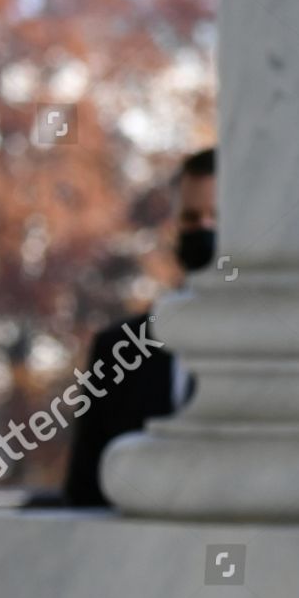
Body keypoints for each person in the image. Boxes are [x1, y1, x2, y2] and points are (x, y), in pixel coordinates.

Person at [62, 147, 214, 506]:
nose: (204, 230)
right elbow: (85, 492)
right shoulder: (120, 351)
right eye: (191, 218)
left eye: (217, 217)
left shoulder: (277, 348)